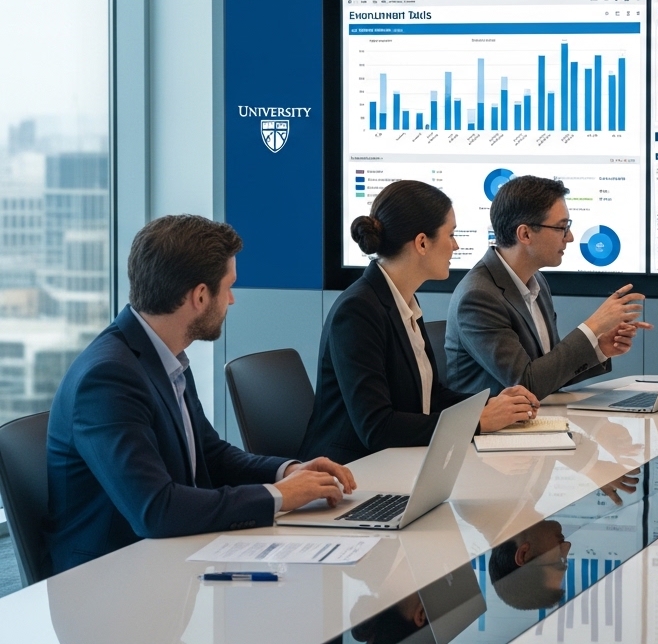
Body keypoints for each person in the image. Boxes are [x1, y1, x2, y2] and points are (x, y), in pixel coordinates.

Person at [47, 215, 357, 573]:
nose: (232, 300)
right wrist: (280, 497)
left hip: (169, 559)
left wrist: (287, 471)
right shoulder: (107, 377)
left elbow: (210, 455)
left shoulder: (164, 354)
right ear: (199, 296)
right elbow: (156, 510)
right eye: (227, 288)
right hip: (108, 584)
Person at [300, 180, 542, 464]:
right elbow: (377, 428)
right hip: (351, 475)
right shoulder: (357, 310)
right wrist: (478, 420)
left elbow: (430, 397)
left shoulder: (403, 301)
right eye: (450, 235)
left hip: (396, 464)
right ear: (422, 243)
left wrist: (494, 404)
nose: (456, 245)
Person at [446, 175, 650, 400]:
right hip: (494, 432)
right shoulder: (478, 297)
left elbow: (549, 373)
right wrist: (593, 326)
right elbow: (527, 384)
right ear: (525, 234)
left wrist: (599, 347)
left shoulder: (536, 281)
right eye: (562, 227)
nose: (570, 238)